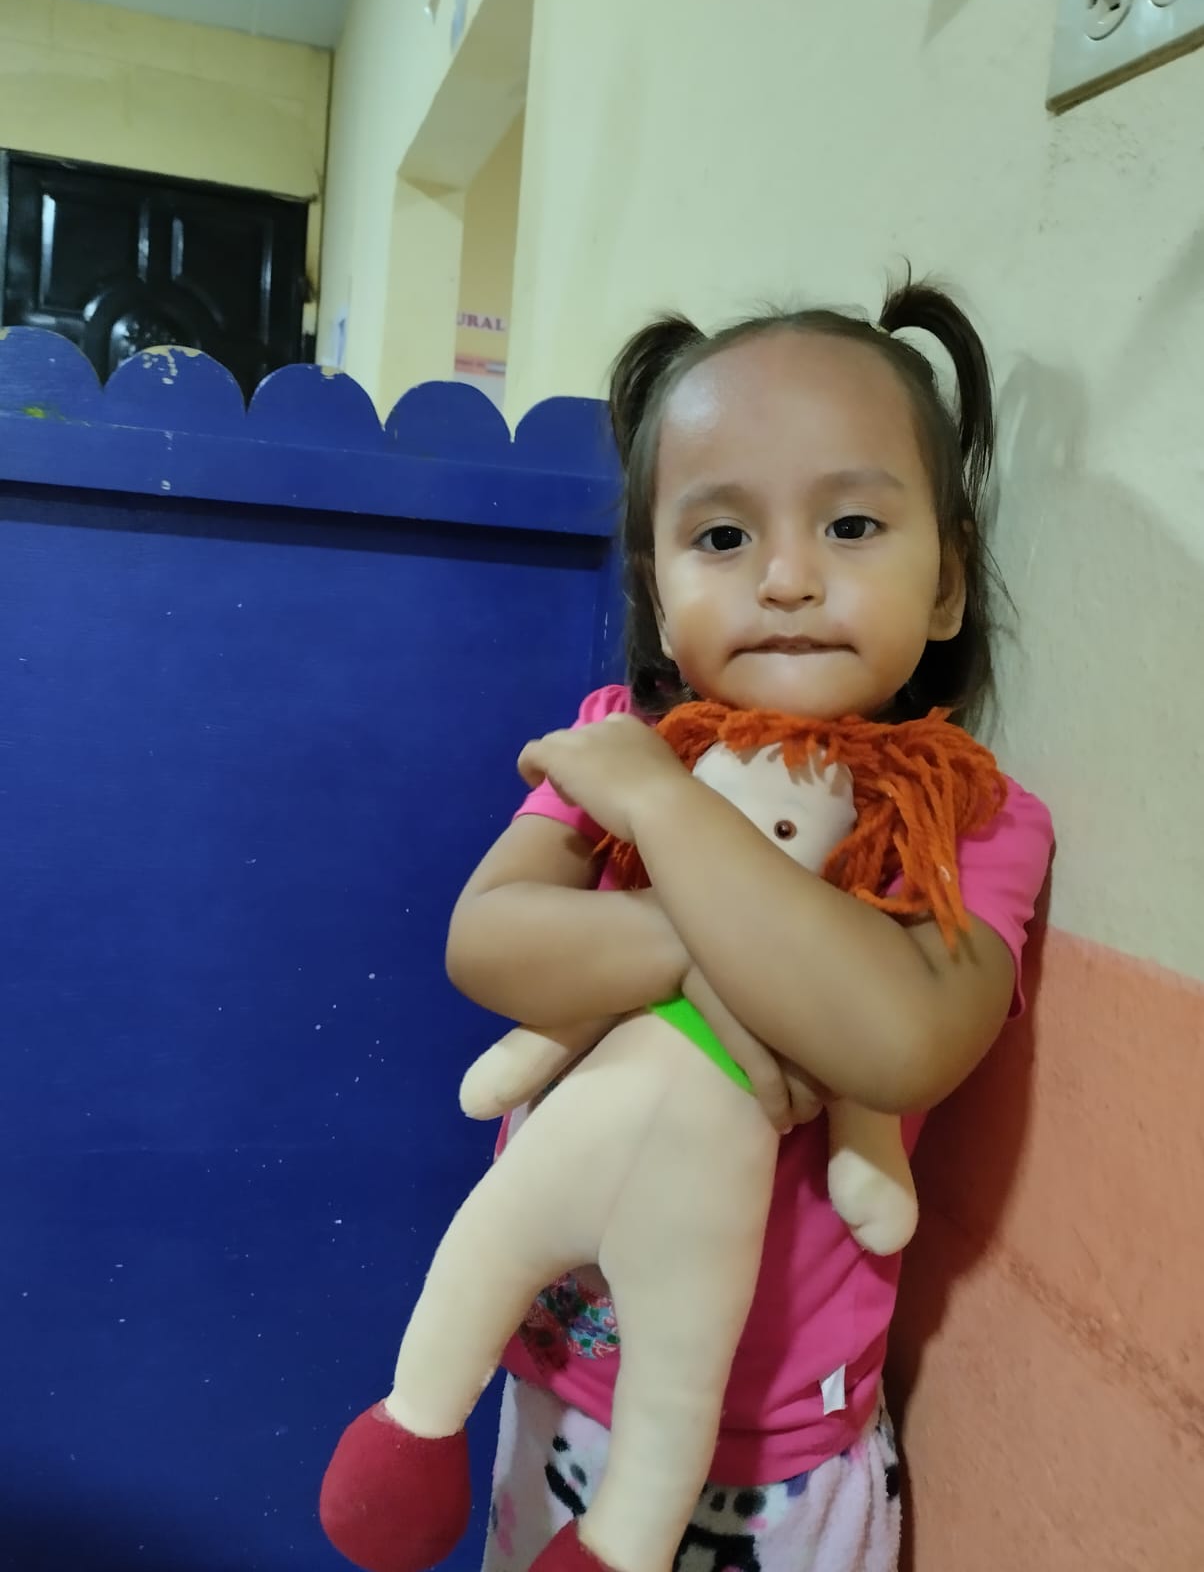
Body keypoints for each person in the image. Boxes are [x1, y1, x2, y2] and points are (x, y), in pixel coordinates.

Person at [332, 276, 1055, 1572]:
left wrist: (666, 819)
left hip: (782, 1460)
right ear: (661, 597)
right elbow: (488, 939)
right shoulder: (622, 739)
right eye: (721, 536)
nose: (786, 578)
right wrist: (731, 965)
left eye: (850, 524)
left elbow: (900, 1043)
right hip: (561, 1389)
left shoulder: (973, 821)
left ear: (948, 581)